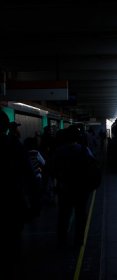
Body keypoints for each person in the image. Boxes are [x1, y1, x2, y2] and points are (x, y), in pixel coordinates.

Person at [0, 110, 39, 278]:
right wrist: (35, 202)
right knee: (12, 241)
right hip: (11, 202)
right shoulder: (14, 145)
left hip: (12, 201)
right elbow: (30, 175)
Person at [52, 125, 101, 249]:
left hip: (64, 189)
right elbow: (94, 168)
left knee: (64, 214)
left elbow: (51, 169)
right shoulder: (84, 150)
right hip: (82, 189)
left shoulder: (59, 151)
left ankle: (62, 240)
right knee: (81, 215)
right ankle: (78, 241)